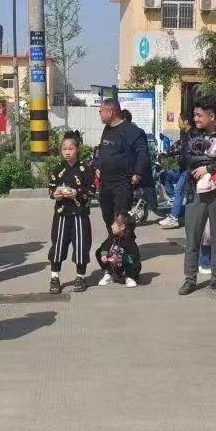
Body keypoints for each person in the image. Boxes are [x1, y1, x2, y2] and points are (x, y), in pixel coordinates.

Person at [177, 95, 216, 295]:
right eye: (194, 115)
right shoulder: (191, 136)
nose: (195, 119)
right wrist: (215, 161)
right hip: (195, 191)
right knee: (193, 237)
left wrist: (209, 167)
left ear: (211, 116)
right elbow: (188, 159)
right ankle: (190, 279)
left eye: (199, 115)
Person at [46, 130, 94, 294]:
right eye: (64, 149)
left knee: (81, 246)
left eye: (71, 148)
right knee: (58, 245)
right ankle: (55, 278)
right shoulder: (58, 169)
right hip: (61, 213)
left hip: (80, 213)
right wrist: (55, 194)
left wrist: (77, 193)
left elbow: (91, 190)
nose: (67, 152)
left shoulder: (85, 169)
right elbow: (51, 188)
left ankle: (80, 277)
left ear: (78, 149)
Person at [94, 98, 150, 233]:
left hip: (122, 183)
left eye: (101, 111)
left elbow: (142, 154)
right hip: (106, 183)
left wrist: (138, 173)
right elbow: (102, 150)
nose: (99, 114)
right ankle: (113, 242)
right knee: (108, 218)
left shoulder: (131, 131)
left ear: (111, 112)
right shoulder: (107, 129)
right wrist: (98, 166)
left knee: (120, 219)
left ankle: (125, 244)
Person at [95, 213, 141, 287]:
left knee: (134, 261)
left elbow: (135, 257)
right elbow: (104, 246)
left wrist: (120, 259)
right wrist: (104, 255)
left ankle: (130, 276)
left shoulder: (129, 241)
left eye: (114, 224)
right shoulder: (112, 237)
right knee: (99, 251)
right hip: (114, 264)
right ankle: (109, 273)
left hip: (125, 264)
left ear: (122, 227)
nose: (111, 226)